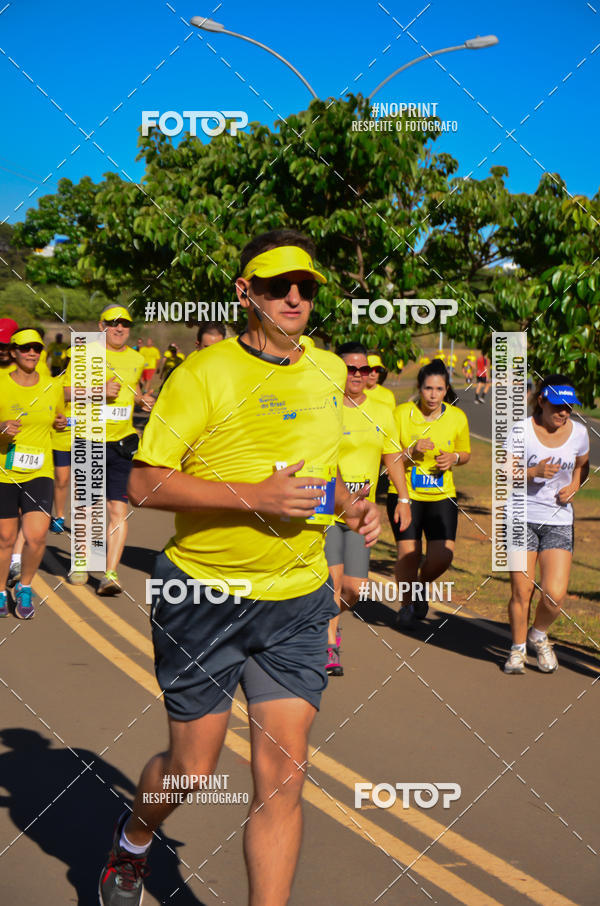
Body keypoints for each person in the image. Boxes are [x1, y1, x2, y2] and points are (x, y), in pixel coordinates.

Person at [98, 229, 380, 906]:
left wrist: (350, 507)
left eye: (306, 287)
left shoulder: (329, 371)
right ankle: (135, 841)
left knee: (283, 779)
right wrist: (252, 498)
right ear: (243, 292)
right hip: (205, 594)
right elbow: (142, 484)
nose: (293, 296)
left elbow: (321, 475)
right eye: (278, 284)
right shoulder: (203, 374)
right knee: (192, 771)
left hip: (298, 599)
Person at [324, 343, 411, 676]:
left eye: (363, 369)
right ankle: (329, 644)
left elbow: (392, 457)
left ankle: (330, 623)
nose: (358, 375)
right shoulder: (326, 408)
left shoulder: (381, 410)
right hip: (327, 511)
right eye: (350, 369)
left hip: (363, 515)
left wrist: (403, 499)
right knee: (331, 582)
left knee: (354, 588)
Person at [64, 306, 154, 594]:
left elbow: (132, 390)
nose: (119, 328)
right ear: (101, 326)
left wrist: (142, 401)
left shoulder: (137, 358)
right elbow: (63, 392)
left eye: (125, 324)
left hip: (122, 442)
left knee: (118, 508)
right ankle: (81, 560)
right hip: (89, 438)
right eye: (113, 323)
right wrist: (97, 391)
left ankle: (110, 574)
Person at [503, 375, 590, 674]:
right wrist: (534, 471)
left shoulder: (579, 433)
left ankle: (538, 635)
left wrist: (576, 485)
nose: (564, 412)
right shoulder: (520, 430)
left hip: (558, 520)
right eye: (557, 405)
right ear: (541, 400)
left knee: (554, 595)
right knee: (521, 590)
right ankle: (517, 650)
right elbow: (505, 474)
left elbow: (582, 465)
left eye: (569, 406)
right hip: (520, 517)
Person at [388, 359, 471, 628]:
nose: (433, 395)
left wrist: (454, 458)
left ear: (446, 390)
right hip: (404, 494)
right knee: (408, 554)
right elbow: (388, 458)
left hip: (441, 495)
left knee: (442, 556)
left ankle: (421, 586)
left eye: (439, 389)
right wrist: (411, 451)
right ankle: (406, 606)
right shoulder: (401, 414)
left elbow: (466, 453)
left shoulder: (457, 417)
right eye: (427, 388)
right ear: (419, 388)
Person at [0, 329, 65, 619]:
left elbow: (59, 419)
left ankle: (25, 587)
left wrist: (62, 423)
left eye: (37, 348)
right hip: (5, 470)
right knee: (4, 537)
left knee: (37, 535)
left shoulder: (52, 386)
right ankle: (1, 591)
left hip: (40, 470)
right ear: (13, 352)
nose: (32, 353)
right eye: (25, 348)